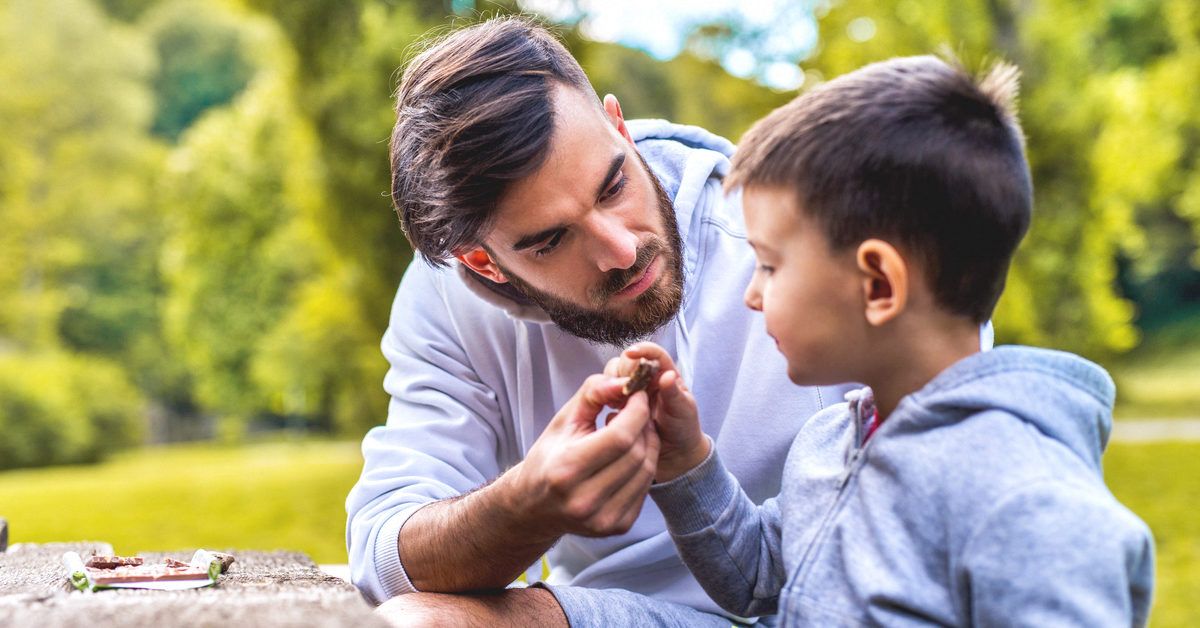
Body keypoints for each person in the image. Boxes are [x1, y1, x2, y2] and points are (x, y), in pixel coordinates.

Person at [344, 16, 863, 626]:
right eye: (550, 240)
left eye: (613, 185)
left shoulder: (802, 235)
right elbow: (382, 557)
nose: (619, 250)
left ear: (619, 126)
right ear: (484, 263)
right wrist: (527, 505)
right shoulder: (448, 304)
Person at [622, 55, 1155, 625]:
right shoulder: (830, 443)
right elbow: (758, 579)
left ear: (879, 284)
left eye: (771, 266)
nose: (752, 295)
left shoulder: (1023, 496)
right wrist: (684, 463)